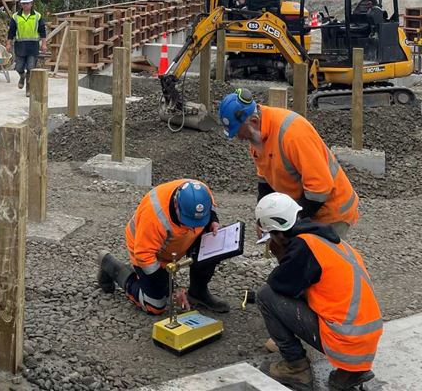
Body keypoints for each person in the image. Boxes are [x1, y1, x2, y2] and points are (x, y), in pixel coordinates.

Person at [255, 193, 381, 390]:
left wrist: (281, 254)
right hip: (364, 341)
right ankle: (349, 371)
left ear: (279, 234)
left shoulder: (303, 246)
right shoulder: (324, 238)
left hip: (344, 341)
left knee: (265, 296)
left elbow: (278, 286)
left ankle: (296, 369)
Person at [219, 88, 359, 237]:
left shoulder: (293, 135)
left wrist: (291, 222)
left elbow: (319, 189)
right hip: (307, 206)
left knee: (315, 258)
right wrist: (264, 218)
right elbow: (265, 179)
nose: (238, 138)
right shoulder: (256, 135)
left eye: (239, 132)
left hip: (330, 212)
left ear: (254, 121)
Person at [97, 179, 230, 314]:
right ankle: (112, 266)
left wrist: (213, 220)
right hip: (148, 251)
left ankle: (198, 292)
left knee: (211, 246)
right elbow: (145, 257)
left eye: (197, 221)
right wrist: (172, 288)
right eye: (188, 220)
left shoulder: (201, 192)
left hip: (177, 243)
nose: (193, 227)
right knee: (155, 305)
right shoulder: (154, 217)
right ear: (176, 204)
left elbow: (211, 207)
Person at [6, 0, 47, 91]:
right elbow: (11, 31)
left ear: (31, 4)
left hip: (33, 46)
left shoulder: (37, 16)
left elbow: (42, 31)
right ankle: (22, 76)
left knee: (31, 68)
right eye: (23, 4)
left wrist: (44, 44)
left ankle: (28, 87)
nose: (25, 5)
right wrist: (8, 43)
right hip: (20, 46)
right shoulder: (16, 17)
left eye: (27, 3)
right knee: (19, 67)